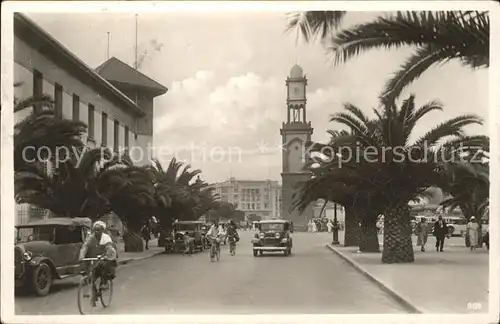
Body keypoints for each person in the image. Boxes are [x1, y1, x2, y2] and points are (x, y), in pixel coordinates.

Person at [79, 221, 117, 289]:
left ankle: (104, 282)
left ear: (102, 230)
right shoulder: (91, 237)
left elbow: (109, 248)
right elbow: (85, 246)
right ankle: (92, 290)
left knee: (104, 266)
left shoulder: (106, 238)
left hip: (105, 256)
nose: (96, 231)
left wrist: (107, 256)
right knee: (89, 270)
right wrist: (82, 255)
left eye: (98, 230)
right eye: (95, 229)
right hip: (94, 257)